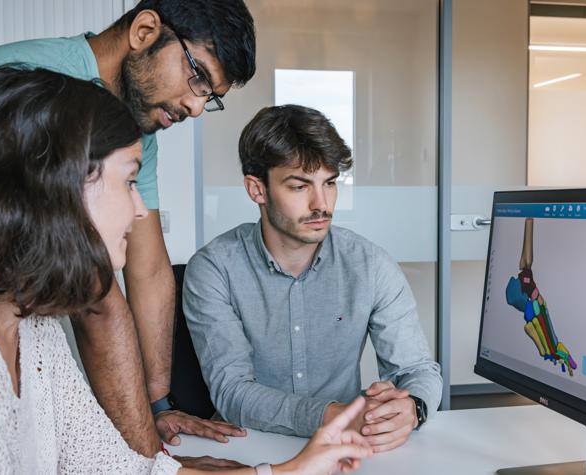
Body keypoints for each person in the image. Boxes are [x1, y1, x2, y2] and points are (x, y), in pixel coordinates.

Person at [0, 66, 373, 474]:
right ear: (58, 186)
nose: (140, 211)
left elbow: (118, 468)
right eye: (130, 181)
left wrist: (292, 471)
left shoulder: (28, 323)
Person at [0, 0, 256, 456]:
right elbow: (99, 298)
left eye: (210, 96)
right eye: (196, 76)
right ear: (144, 31)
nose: (197, 106)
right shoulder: (41, 84)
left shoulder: (135, 125)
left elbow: (150, 267)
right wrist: (154, 461)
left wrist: (160, 407)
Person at [183, 105, 444, 453]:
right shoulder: (214, 269)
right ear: (257, 189)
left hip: (349, 446)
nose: (321, 204)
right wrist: (331, 416)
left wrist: (412, 408)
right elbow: (232, 392)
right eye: (299, 186)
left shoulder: (370, 264)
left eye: (330, 183)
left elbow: (417, 369)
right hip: (248, 449)